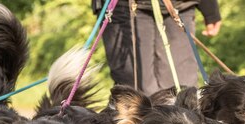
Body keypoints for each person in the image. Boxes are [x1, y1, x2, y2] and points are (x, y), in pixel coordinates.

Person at [93, 0, 221, 95]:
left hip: (180, 6)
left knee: (183, 94)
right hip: (123, 7)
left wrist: (209, 6)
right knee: (137, 95)